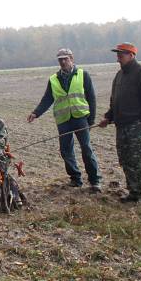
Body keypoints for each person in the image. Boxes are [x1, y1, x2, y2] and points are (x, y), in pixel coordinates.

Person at [27, 48, 102, 191]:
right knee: (65, 150)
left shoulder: (83, 75)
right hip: (63, 120)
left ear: (71, 59)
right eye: (60, 59)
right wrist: (36, 113)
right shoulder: (53, 79)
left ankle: (95, 180)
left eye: (65, 59)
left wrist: (91, 120)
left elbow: (91, 98)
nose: (62, 62)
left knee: (86, 149)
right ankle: (75, 179)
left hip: (80, 117)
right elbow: (47, 99)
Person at [98, 42, 141, 203]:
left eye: (121, 55)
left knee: (139, 160)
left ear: (131, 55)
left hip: (136, 126)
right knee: (126, 160)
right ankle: (134, 192)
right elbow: (114, 101)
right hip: (121, 126)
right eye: (117, 55)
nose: (118, 58)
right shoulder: (119, 76)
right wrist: (109, 117)